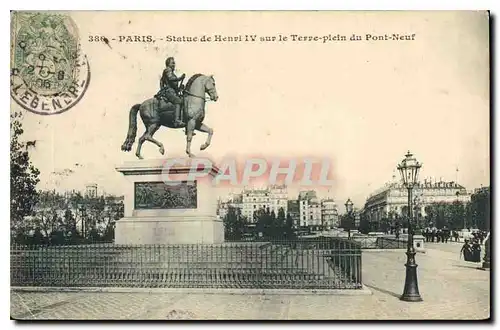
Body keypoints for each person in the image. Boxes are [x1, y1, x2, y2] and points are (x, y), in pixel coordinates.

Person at [155, 57, 186, 127]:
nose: (174, 64)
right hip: (169, 91)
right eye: (172, 63)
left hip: (172, 91)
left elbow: (173, 85)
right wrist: (180, 78)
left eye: (174, 63)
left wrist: (180, 88)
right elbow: (170, 78)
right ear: (168, 64)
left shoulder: (171, 72)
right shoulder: (167, 70)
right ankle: (177, 120)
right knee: (178, 101)